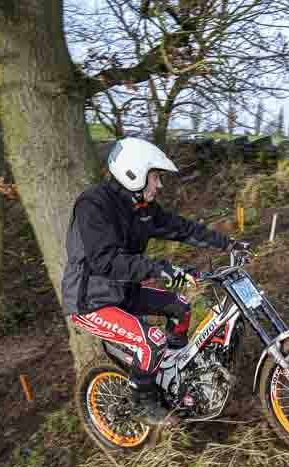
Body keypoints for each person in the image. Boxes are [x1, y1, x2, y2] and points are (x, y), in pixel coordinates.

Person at [61, 137, 249, 426]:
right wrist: (163, 270)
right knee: (152, 341)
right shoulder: (93, 205)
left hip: (125, 289)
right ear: (133, 173)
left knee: (181, 305)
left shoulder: (142, 207)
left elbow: (182, 228)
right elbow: (105, 261)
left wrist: (228, 245)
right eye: (156, 177)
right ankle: (142, 401)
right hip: (91, 300)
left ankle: (175, 373)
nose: (159, 185)